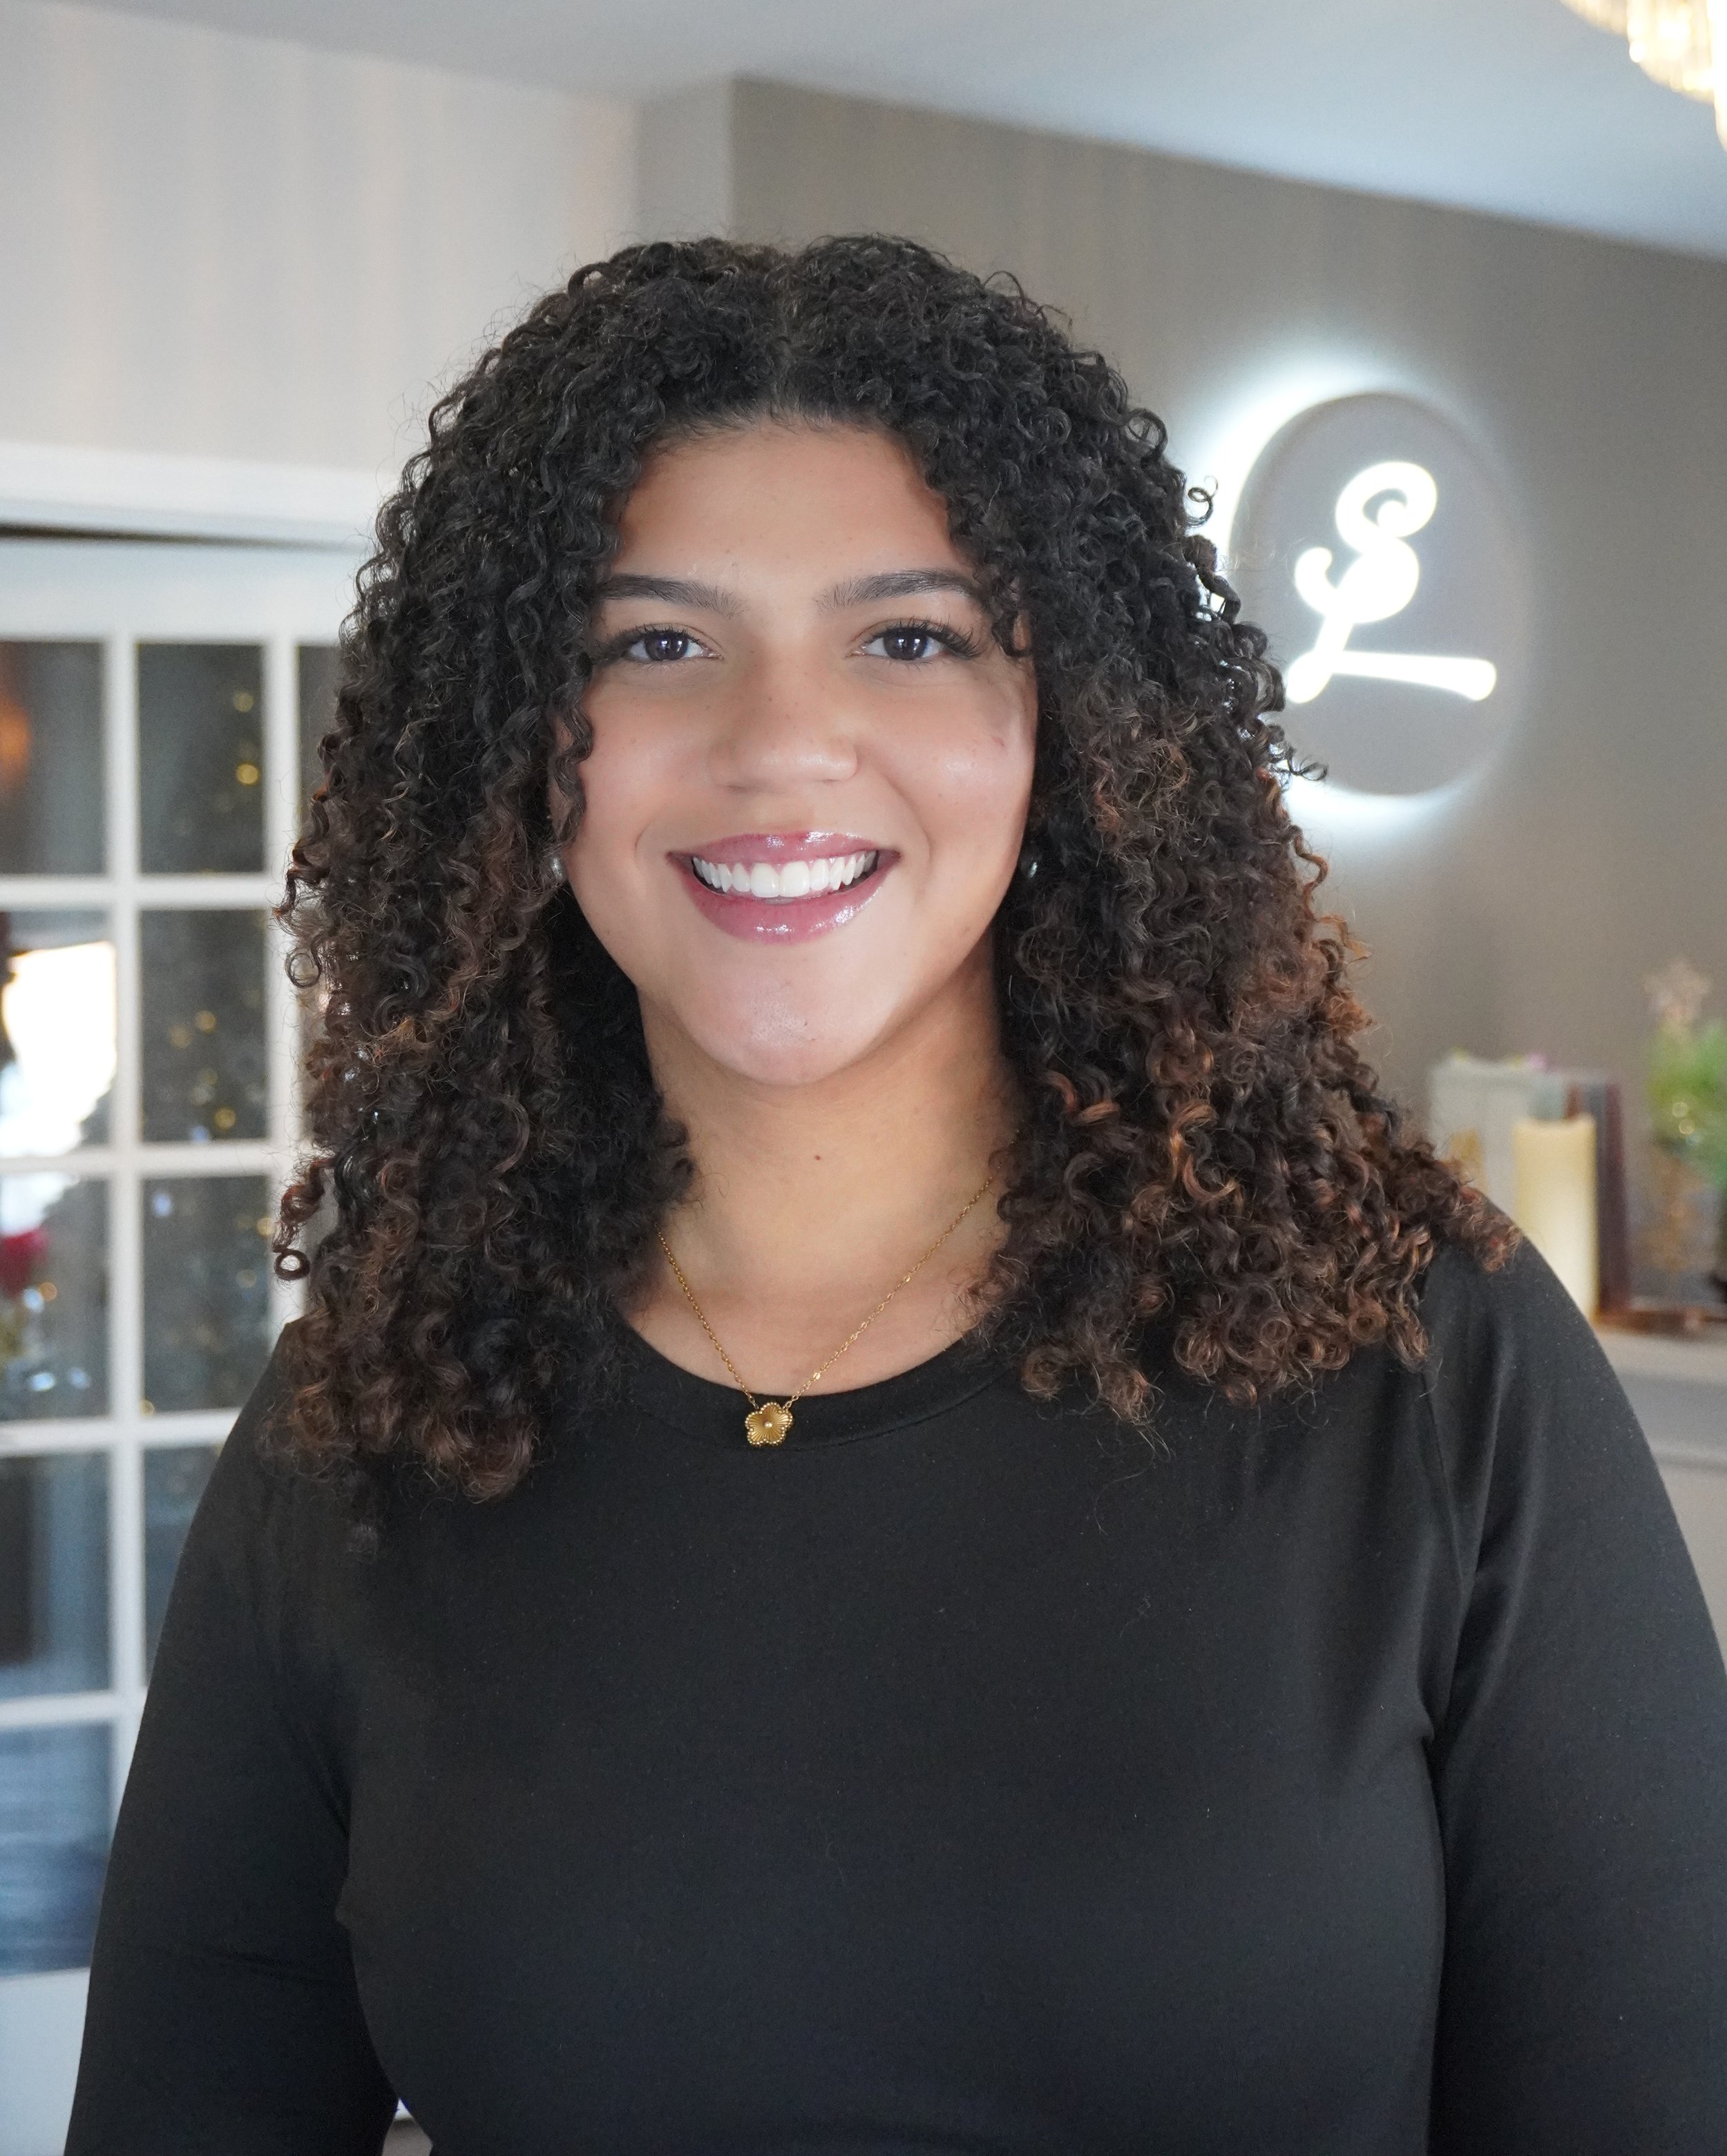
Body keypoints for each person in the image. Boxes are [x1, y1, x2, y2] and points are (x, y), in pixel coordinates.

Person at [66, 238, 1727, 2154]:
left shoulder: (1425, 1365)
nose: (779, 740)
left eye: (909, 635)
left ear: (1075, 730)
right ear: (527, 750)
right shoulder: (374, 1420)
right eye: (653, 642)